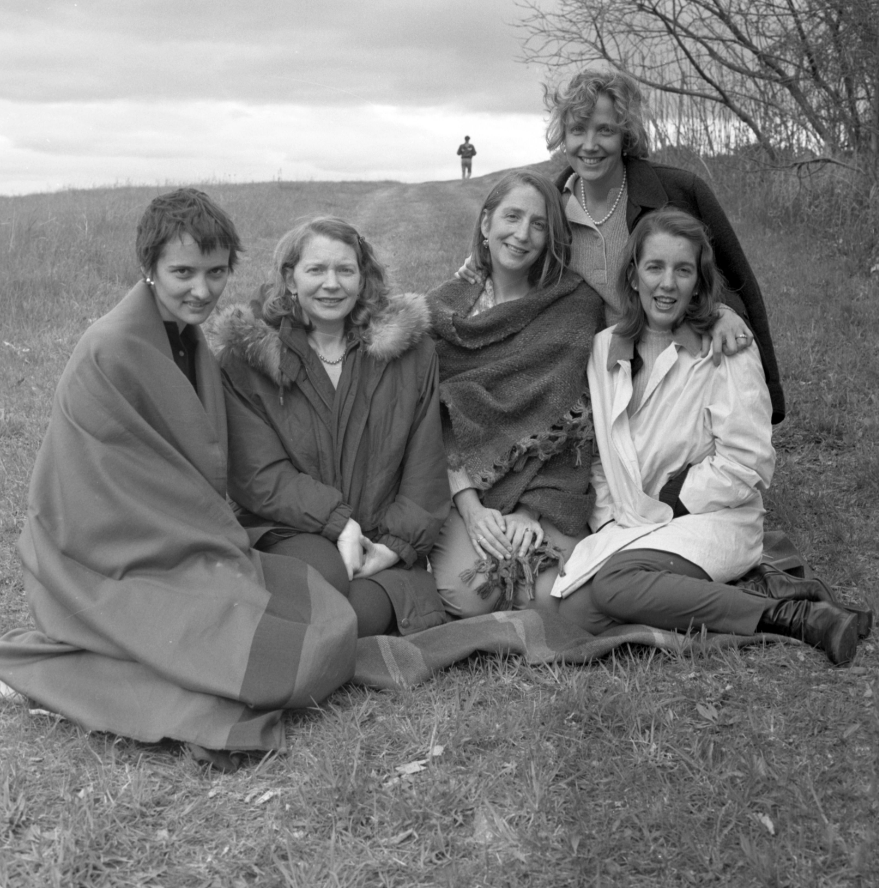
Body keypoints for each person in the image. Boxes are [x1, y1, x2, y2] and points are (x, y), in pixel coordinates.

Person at [0, 189, 357, 763]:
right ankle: (50, 669)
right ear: (149, 269)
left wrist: (331, 519)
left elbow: (220, 464)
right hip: (101, 555)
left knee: (320, 619)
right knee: (288, 660)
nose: (202, 289)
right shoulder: (111, 349)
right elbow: (104, 485)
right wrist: (201, 535)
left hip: (176, 538)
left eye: (216, 273)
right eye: (183, 272)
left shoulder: (189, 340)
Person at [542, 208, 862, 665]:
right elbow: (598, 454)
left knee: (614, 587)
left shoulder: (724, 348)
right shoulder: (603, 349)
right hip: (633, 525)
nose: (667, 283)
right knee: (575, 609)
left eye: (683, 270)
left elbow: (746, 462)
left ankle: (794, 617)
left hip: (712, 517)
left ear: (697, 281)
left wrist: (673, 500)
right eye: (655, 267)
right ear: (633, 276)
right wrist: (610, 517)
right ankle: (716, 591)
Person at [459, 67, 785, 423]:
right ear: (562, 136)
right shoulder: (550, 209)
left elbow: (732, 276)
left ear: (625, 134)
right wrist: (481, 261)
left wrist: (726, 311)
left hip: (675, 376)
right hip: (590, 386)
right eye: (577, 130)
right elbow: (518, 268)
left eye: (605, 130)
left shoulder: (680, 192)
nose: (590, 145)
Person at [209, 217, 451, 638]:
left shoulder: (411, 354)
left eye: (345, 270)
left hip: (379, 537)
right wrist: (339, 523)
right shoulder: (246, 360)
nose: (331, 284)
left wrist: (395, 547)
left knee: (359, 614)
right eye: (316, 270)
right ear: (290, 278)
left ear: (363, 277)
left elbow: (426, 461)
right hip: (292, 529)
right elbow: (257, 475)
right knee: (324, 586)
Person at [428, 170, 603, 616]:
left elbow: (577, 425)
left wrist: (531, 512)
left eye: (539, 224)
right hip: (464, 487)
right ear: (486, 224)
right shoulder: (439, 313)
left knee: (548, 598)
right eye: (511, 216)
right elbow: (430, 424)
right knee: (472, 597)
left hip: (544, 488)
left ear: (550, 238)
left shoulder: (573, 307)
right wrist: (471, 509)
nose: (522, 234)